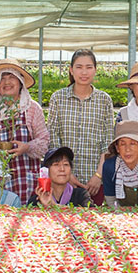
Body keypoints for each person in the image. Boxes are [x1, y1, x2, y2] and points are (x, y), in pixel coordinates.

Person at [0, 58, 50, 204]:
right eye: (2, 79)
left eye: (11, 77)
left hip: (25, 177)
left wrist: (27, 147)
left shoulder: (32, 108)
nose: (7, 82)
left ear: (20, 83)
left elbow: (44, 141)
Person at [47, 50, 115, 204]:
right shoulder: (58, 98)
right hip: (62, 181)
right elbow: (54, 138)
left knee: (92, 224)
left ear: (95, 70)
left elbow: (108, 142)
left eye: (89, 67)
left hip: (95, 183)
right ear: (71, 70)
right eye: (79, 67)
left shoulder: (104, 100)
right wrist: (66, 175)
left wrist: (98, 176)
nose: (84, 72)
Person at [28, 147, 93, 207]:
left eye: (66, 164)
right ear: (46, 170)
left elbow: (90, 216)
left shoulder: (81, 195)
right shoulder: (37, 200)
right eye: (56, 164)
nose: (62, 169)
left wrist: (54, 206)